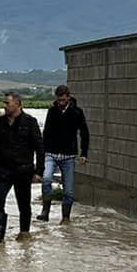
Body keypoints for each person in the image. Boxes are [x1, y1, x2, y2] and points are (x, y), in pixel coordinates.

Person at [0, 91, 43, 243]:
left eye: (7, 103)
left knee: (24, 203)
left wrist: (39, 171)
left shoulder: (30, 122)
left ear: (17, 104)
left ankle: (24, 233)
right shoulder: (0, 122)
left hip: (23, 170)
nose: (4, 106)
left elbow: (39, 148)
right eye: (4, 103)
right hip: (2, 170)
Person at [37, 84, 90, 222]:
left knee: (69, 190)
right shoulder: (52, 112)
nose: (61, 103)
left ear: (68, 97)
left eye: (63, 100)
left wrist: (84, 153)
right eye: (59, 100)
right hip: (51, 154)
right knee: (46, 179)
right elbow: (46, 133)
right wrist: (42, 153)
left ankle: (65, 218)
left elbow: (85, 133)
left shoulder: (77, 112)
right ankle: (45, 211)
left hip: (69, 156)